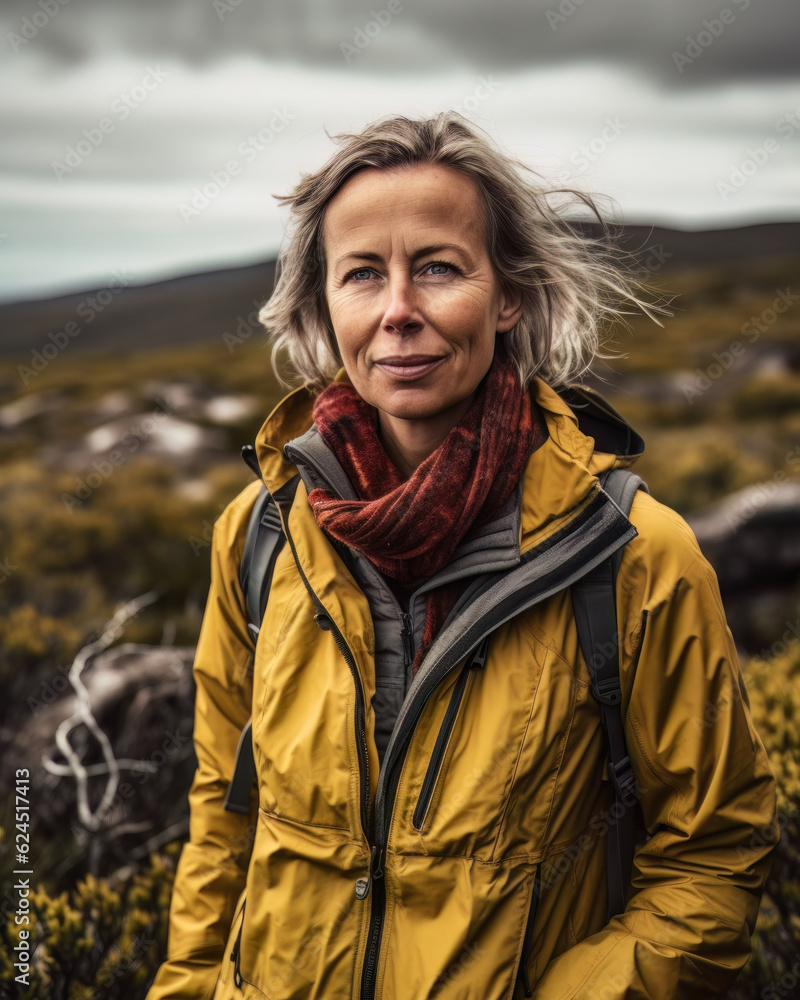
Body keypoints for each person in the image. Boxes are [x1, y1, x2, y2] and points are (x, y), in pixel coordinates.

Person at [146, 113, 776, 1000]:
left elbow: (713, 852)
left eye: (438, 268)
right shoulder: (258, 535)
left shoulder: (633, 555)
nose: (399, 311)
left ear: (507, 295)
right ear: (325, 306)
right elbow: (224, 817)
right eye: (362, 274)